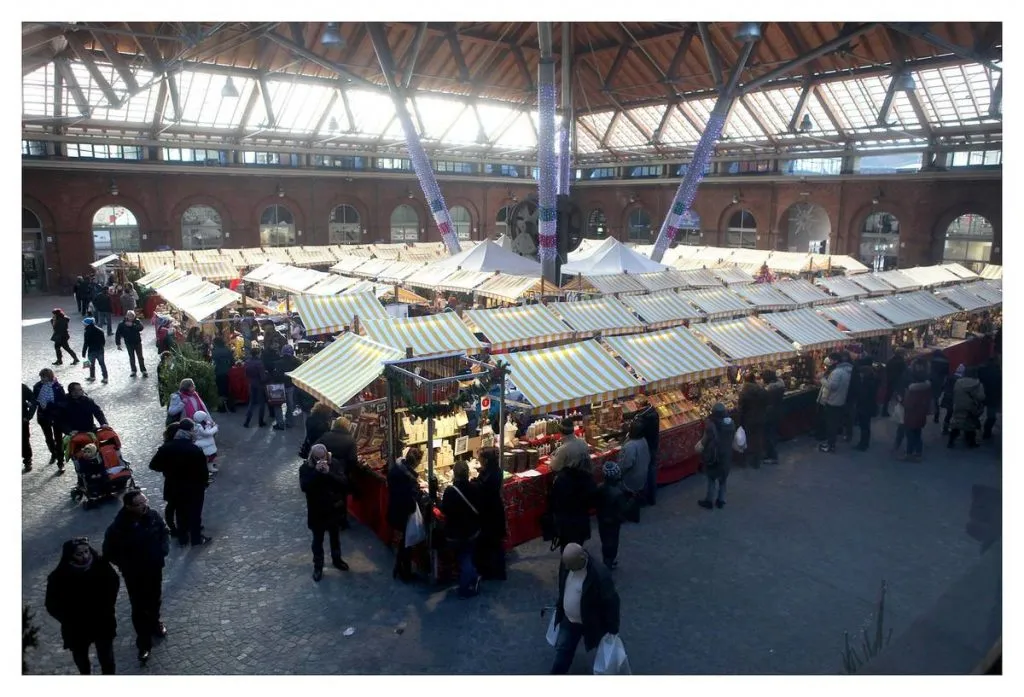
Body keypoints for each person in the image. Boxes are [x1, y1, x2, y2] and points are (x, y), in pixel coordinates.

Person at [102, 490, 170, 663]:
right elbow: (109, 552)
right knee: (139, 607)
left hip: (154, 568)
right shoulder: (118, 527)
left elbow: (164, 532)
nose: (144, 506)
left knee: (155, 599)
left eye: (144, 501)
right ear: (129, 506)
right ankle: (144, 644)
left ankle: (156, 623)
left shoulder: (153, 515)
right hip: (134, 574)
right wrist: (126, 565)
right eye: (139, 504)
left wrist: (163, 550)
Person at [45, 538, 120, 675]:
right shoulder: (58, 577)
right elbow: (51, 604)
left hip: (101, 621)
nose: (85, 556)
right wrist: (69, 618)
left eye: (86, 551)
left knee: (107, 659)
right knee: (81, 660)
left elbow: (114, 582)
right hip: (76, 627)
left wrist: (107, 606)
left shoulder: (101, 565)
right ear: (70, 556)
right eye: (79, 554)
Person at [549, 543, 621, 674]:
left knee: (599, 648)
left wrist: (612, 628)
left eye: (571, 566)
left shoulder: (600, 575)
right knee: (563, 651)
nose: (567, 568)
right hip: (570, 620)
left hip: (590, 621)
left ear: (582, 559)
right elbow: (563, 586)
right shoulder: (568, 563)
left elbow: (611, 602)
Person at [148, 419, 212, 547]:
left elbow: (153, 465)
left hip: (174, 485)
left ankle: (183, 538)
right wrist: (204, 483)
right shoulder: (195, 449)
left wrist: (168, 470)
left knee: (180, 513)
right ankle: (196, 539)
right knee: (195, 513)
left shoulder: (166, 448)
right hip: (194, 487)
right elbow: (203, 471)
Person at [299, 444, 351, 582]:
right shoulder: (305, 468)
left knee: (335, 537)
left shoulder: (334, 464)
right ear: (313, 457)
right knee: (318, 540)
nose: (321, 460)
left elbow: (344, 483)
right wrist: (316, 472)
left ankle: (337, 559)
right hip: (316, 510)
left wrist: (329, 473)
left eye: (323, 457)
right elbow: (305, 486)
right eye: (318, 458)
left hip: (333, 508)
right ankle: (318, 566)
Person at [441, 461, 482, 598]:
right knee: (466, 555)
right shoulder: (475, 488)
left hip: (454, 532)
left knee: (463, 558)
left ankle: (466, 587)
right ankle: (473, 576)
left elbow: (444, 510)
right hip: (471, 530)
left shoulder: (450, 491)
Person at [547, 441, 597, 550]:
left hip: (565, 520)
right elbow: (593, 501)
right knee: (577, 546)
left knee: (566, 549)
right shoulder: (588, 480)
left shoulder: (562, 478)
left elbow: (554, 499)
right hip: (580, 519)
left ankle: (566, 563)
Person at [387, 446, 425, 583]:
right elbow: (408, 500)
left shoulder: (396, 469)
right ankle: (404, 571)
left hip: (395, 510)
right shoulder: (407, 479)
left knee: (404, 542)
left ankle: (400, 567)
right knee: (406, 543)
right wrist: (418, 493)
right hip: (403, 514)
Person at [314, 417, 358, 529]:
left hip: (326, 469)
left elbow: (315, 448)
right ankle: (342, 521)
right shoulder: (350, 440)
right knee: (341, 497)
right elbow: (352, 459)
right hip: (340, 472)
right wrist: (348, 471)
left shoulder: (325, 436)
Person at [472, 447, 507, 581]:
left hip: (489, 513)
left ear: (485, 460)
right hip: (494, 511)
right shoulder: (494, 471)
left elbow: (481, 488)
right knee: (495, 543)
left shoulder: (489, 475)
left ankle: (489, 571)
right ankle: (496, 570)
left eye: (480, 458)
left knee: (490, 542)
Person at [697, 402, 736, 510]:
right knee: (723, 479)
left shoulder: (711, 425)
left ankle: (709, 500)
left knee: (711, 478)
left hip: (715, 455)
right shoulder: (731, 423)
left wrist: (699, 447)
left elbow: (705, 440)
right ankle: (721, 500)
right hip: (726, 454)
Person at [595, 461, 629, 570]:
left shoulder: (599, 488)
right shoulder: (619, 492)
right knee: (613, 541)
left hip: (602, 520)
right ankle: (609, 561)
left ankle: (606, 560)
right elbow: (623, 509)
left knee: (605, 541)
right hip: (614, 521)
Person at [32, 368, 67, 469]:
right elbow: (35, 400)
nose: (42, 379)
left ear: (50, 377)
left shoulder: (58, 387)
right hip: (43, 416)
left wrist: (51, 405)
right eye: (41, 376)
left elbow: (63, 402)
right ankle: (53, 453)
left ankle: (60, 461)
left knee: (58, 439)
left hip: (56, 416)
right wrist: (39, 403)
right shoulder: (37, 386)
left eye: (45, 377)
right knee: (48, 438)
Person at [818, 352, 853, 454]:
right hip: (840, 400)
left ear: (835, 361)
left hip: (833, 401)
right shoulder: (846, 371)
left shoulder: (837, 372)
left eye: (831, 360)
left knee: (831, 425)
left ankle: (830, 445)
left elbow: (832, 386)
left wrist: (822, 379)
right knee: (833, 424)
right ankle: (830, 443)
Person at [631, 395, 660, 505]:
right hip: (653, 443)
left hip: (646, 446)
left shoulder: (642, 417)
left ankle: (643, 497)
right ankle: (652, 497)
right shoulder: (653, 411)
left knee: (644, 470)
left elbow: (635, 431)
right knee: (652, 469)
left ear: (638, 404)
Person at [949, 367, 986, 449]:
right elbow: (981, 397)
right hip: (971, 406)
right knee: (970, 424)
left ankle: (951, 441)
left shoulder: (958, 382)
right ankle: (971, 442)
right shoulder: (978, 384)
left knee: (957, 422)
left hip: (958, 405)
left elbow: (954, 393)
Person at [901, 366, 932, 461]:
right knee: (918, 434)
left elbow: (909, 404)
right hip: (921, 415)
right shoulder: (927, 388)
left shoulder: (913, 390)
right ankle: (918, 453)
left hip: (911, 415)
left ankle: (909, 454)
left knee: (910, 435)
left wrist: (901, 401)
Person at [738, 371, 768, 468]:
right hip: (760, 418)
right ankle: (757, 460)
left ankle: (746, 461)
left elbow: (741, 408)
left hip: (749, 419)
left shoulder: (744, 392)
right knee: (758, 439)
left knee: (748, 439)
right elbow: (765, 402)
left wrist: (740, 421)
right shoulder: (761, 390)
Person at [616, 420, 649, 497]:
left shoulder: (630, 446)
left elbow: (625, 465)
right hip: (643, 476)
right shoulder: (643, 440)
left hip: (632, 480)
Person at [853, 357, 879, 451]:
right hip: (869, 406)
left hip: (864, 406)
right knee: (866, 425)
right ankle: (864, 443)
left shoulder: (867, 382)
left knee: (864, 425)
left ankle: (863, 444)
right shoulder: (874, 378)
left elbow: (863, 394)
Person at [762, 369, 786, 464]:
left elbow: (765, 401)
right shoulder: (780, 385)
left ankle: (773, 457)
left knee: (769, 435)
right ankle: (769, 454)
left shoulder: (771, 389)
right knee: (772, 434)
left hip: (770, 414)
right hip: (777, 412)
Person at [115, 310, 148, 378]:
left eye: (132, 316)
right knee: (131, 357)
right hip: (128, 343)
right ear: (127, 316)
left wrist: (133, 325)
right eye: (130, 316)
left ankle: (143, 370)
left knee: (140, 357)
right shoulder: (122, 324)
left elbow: (141, 328)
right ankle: (133, 370)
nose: (131, 318)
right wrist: (118, 344)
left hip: (137, 342)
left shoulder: (137, 321)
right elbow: (118, 334)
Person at [274, 345, 301, 428]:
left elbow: (276, 375)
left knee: (277, 405)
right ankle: (289, 422)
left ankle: (280, 423)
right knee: (290, 405)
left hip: (279, 386)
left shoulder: (278, 363)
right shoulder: (297, 361)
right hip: (291, 386)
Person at [243, 348, 269, 428]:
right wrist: (266, 375)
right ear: (258, 354)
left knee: (252, 403)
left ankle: (247, 421)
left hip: (251, 384)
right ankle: (260, 421)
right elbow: (263, 378)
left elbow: (246, 374)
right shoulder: (259, 363)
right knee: (261, 404)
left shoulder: (247, 362)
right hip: (260, 385)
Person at [978, 357, 1001, 440]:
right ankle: (987, 433)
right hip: (993, 397)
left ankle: (973, 429)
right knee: (991, 416)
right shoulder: (999, 372)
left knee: (976, 413)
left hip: (981, 394)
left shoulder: (981, 370)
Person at [80, 317, 109, 384]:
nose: (83, 325)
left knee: (91, 365)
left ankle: (92, 376)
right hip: (100, 350)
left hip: (91, 351)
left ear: (87, 324)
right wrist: (101, 347)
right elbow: (103, 341)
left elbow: (86, 343)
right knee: (102, 364)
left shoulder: (87, 332)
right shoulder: (100, 330)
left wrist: (83, 352)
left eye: (84, 324)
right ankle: (105, 378)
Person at [211, 336, 234, 412]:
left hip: (219, 373)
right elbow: (232, 362)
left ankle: (222, 408)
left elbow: (213, 364)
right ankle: (231, 407)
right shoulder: (227, 350)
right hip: (228, 372)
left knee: (220, 391)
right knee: (228, 389)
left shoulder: (214, 352)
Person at [881, 349, 906, 417]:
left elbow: (887, 369)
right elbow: (904, 372)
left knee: (888, 396)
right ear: (901, 354)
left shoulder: (890, 360)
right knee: (900, 396)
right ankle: (902, 412)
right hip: (898, 381)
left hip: (890, 380)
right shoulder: (901, 362)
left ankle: (884, 411)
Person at [939, 364, 963, 435]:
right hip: (955, 399)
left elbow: (943, 386)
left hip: (948, 398)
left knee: (949, 414)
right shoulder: (960, 380)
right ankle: (956, 430)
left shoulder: (950, 376)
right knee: (957, 415)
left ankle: (945, 429)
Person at [929, 350, 950, 421]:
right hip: (940, 382)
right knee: (936, 398)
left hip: (932, 381)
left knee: (932, 398)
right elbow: (946, 374)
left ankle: (932, 412)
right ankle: (936, 415)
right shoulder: (946, 361)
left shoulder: (933, 360)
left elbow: (930, 371)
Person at [23, 383, 36, 473]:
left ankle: (27, 460)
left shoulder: (22, 388)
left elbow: (33, 400)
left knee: (23, 440)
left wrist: (28, 416)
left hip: (21, 419)